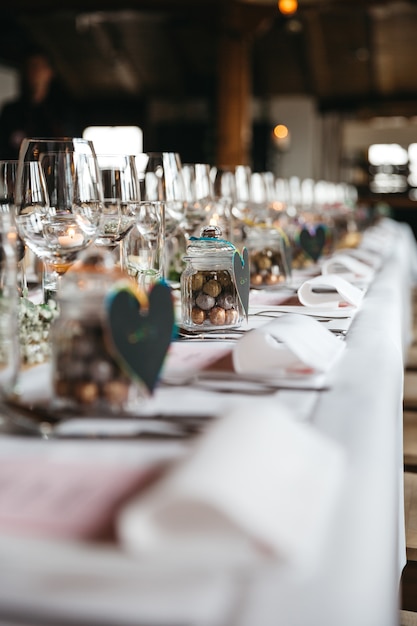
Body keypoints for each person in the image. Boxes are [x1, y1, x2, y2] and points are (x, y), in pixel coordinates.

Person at [0, 47, 81, 159]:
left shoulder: (62, 113)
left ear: (50, 72)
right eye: (29, 67)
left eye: (37, 67)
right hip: (18, 174)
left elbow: (70, 150)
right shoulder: (11, 112)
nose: (33, 73)